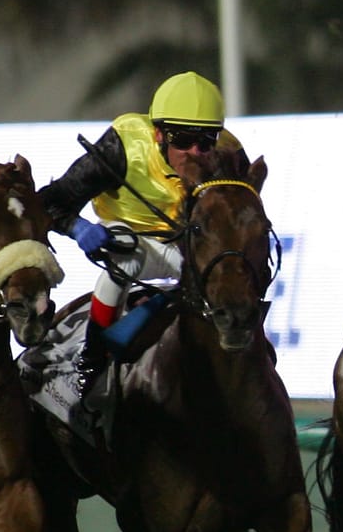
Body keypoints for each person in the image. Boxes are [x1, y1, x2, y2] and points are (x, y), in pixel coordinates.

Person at [39, 71, 245, 388]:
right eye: (183, 139)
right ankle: (91, 361)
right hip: (131, 237)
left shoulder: (230, 156)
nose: (195, 153)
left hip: (189, 247)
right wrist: (78, 227)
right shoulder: (122, 146)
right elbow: (49, 203)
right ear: (158, 134)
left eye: (206, 141)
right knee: (126, 258)